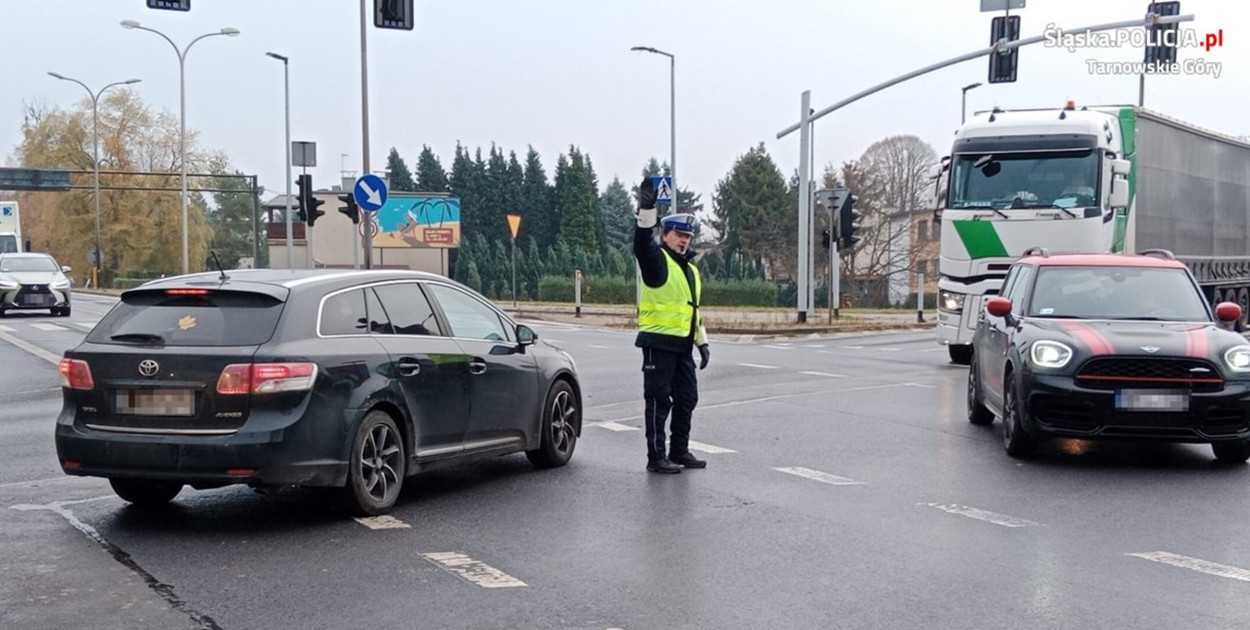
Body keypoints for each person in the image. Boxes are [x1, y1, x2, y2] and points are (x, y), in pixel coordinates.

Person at [632, 177, 710, 474]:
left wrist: (702, 342)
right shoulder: (657, 261)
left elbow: (693, 311)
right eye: (678, 234)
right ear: (665, 235)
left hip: (682, 346)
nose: (684, 240)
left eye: (687, 236)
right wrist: (647, 210)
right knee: (658, 401)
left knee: (687, 398)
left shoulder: (690, 269)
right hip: (658, 343)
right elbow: (642, 244)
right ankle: (656, 457)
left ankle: (679, 451)